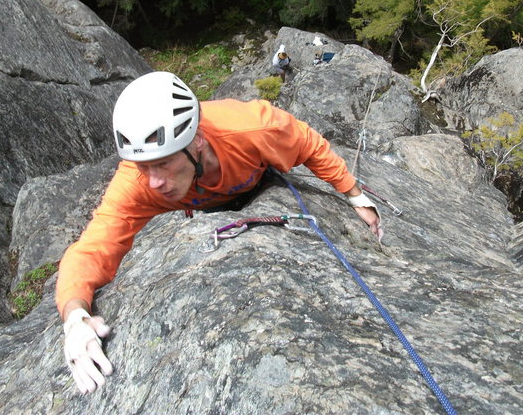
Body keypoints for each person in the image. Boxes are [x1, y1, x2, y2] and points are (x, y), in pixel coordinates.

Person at [57, 71, 382, 394]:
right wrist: (75, 315)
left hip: (255, 178)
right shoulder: (137, 182)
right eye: (145, 166)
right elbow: (92, 248)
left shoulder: (253, 128)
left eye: (165, 163)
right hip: (205, 207)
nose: (154, 181)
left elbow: (309, 144)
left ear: (196, 140)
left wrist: (354, 195)